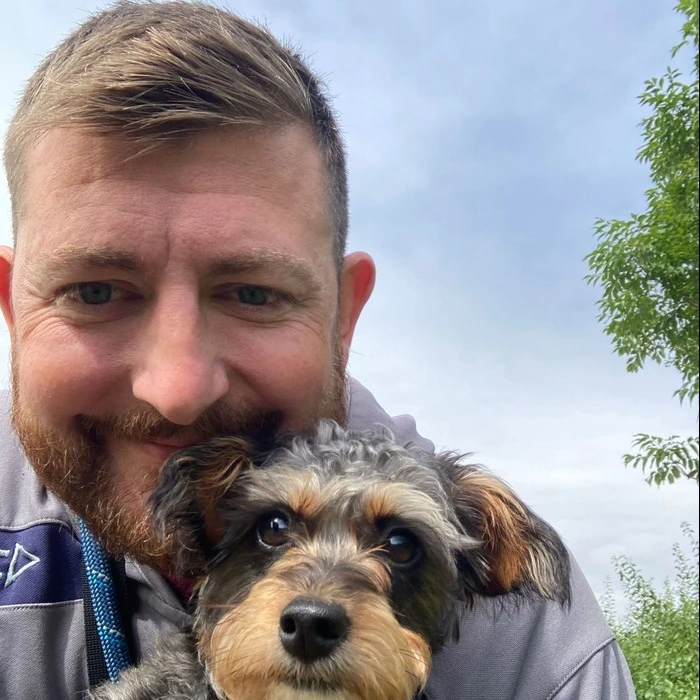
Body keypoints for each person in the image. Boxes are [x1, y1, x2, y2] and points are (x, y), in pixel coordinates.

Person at [0, 2, 635, 698]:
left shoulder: (535, 640)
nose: (176, 388)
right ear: (11, 305)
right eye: (94, 292)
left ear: (341, 318)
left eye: (253, 293)